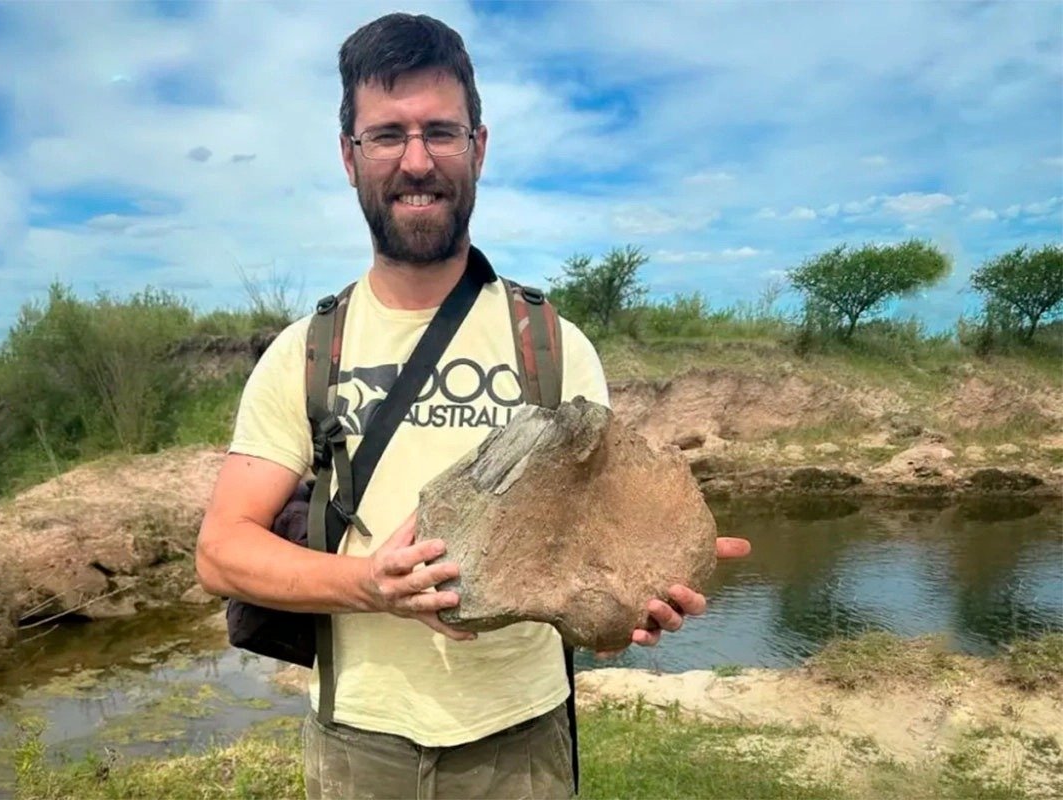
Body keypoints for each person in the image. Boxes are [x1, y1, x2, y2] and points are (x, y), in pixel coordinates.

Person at [196, 12, 750, 800]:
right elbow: (222, 551)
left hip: (523, 744)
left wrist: (635, 599)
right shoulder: (305, 353)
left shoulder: (553, 345)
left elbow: (593, 563)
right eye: (387, 135)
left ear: (478, 148)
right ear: (350, 157)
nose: (417, 160)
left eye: (441, 132)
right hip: (360, 745)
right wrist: (369, 584)